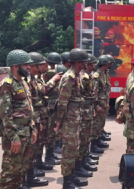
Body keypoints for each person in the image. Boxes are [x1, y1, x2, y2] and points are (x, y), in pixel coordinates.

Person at [0, 49, 37, 189]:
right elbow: (6, 115)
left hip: (26, 132)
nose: (29, 67)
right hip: (15, 135)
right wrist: (14, 138)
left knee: (21, 169)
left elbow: (29, 108)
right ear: (15, 66)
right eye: (26, 65)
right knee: (10, 171)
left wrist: (33, 128)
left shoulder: (24, 83)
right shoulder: (6, 85)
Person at [54, 48, 89, 189]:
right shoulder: (69, 77)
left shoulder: (76, 75)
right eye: (85, 60)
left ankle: (72, 176)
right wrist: (59, 121)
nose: (87, 62)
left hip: (75, 118)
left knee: (75, 149)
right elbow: (63, 101)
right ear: (79, 62)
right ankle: (67, 182)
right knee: (69, 150)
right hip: (69, 119)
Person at [27, 52, 62, 187]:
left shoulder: (37, 77)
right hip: (35, 116)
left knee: (40, 141)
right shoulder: (30, 79)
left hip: (41, 114)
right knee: (34, 145)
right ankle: (31, 173)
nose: (44, 66)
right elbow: (42, 91)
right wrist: (53, 81)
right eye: (41, 64)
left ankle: (38, 165)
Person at [75, 55, 99, 176]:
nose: (95, 66)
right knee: (82, 139)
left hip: (87, 111)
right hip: (82, 113)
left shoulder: (87, 76)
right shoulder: (83, 77)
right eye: (93, 63)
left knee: (86, 138)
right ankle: (79, 166)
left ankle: (84, 161)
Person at [43, 52, 63, 165]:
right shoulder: (50, 74)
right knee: (50, 133)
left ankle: (50, 155)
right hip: (49, 106)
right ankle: (48, 157)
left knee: (52, 132)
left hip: (52, 105)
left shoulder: (48, 74)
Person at [90, 55, 111, 154]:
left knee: (100, 124)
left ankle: (98, 141)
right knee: (95, 126)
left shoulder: (103, 74)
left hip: (103, 103)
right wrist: (96, 106)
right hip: (99, 104)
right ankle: (94, 146)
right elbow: (94, 93)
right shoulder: (96, 76)